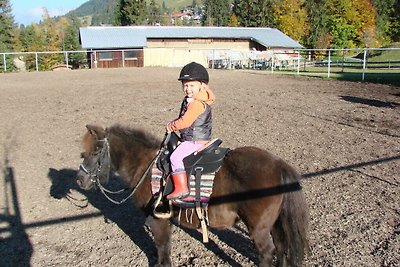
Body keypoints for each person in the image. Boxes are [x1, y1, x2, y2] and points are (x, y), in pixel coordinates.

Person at [165, 62, 215, 200]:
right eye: (185, 85)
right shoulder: (193, 101)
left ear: (203, 86)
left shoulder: (196, 104)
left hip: (195, 141)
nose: (188, 89)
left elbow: (185, 122)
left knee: (175, 157)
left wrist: (171, 126)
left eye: (192, 85)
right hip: (195, 138)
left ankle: (182, 188)